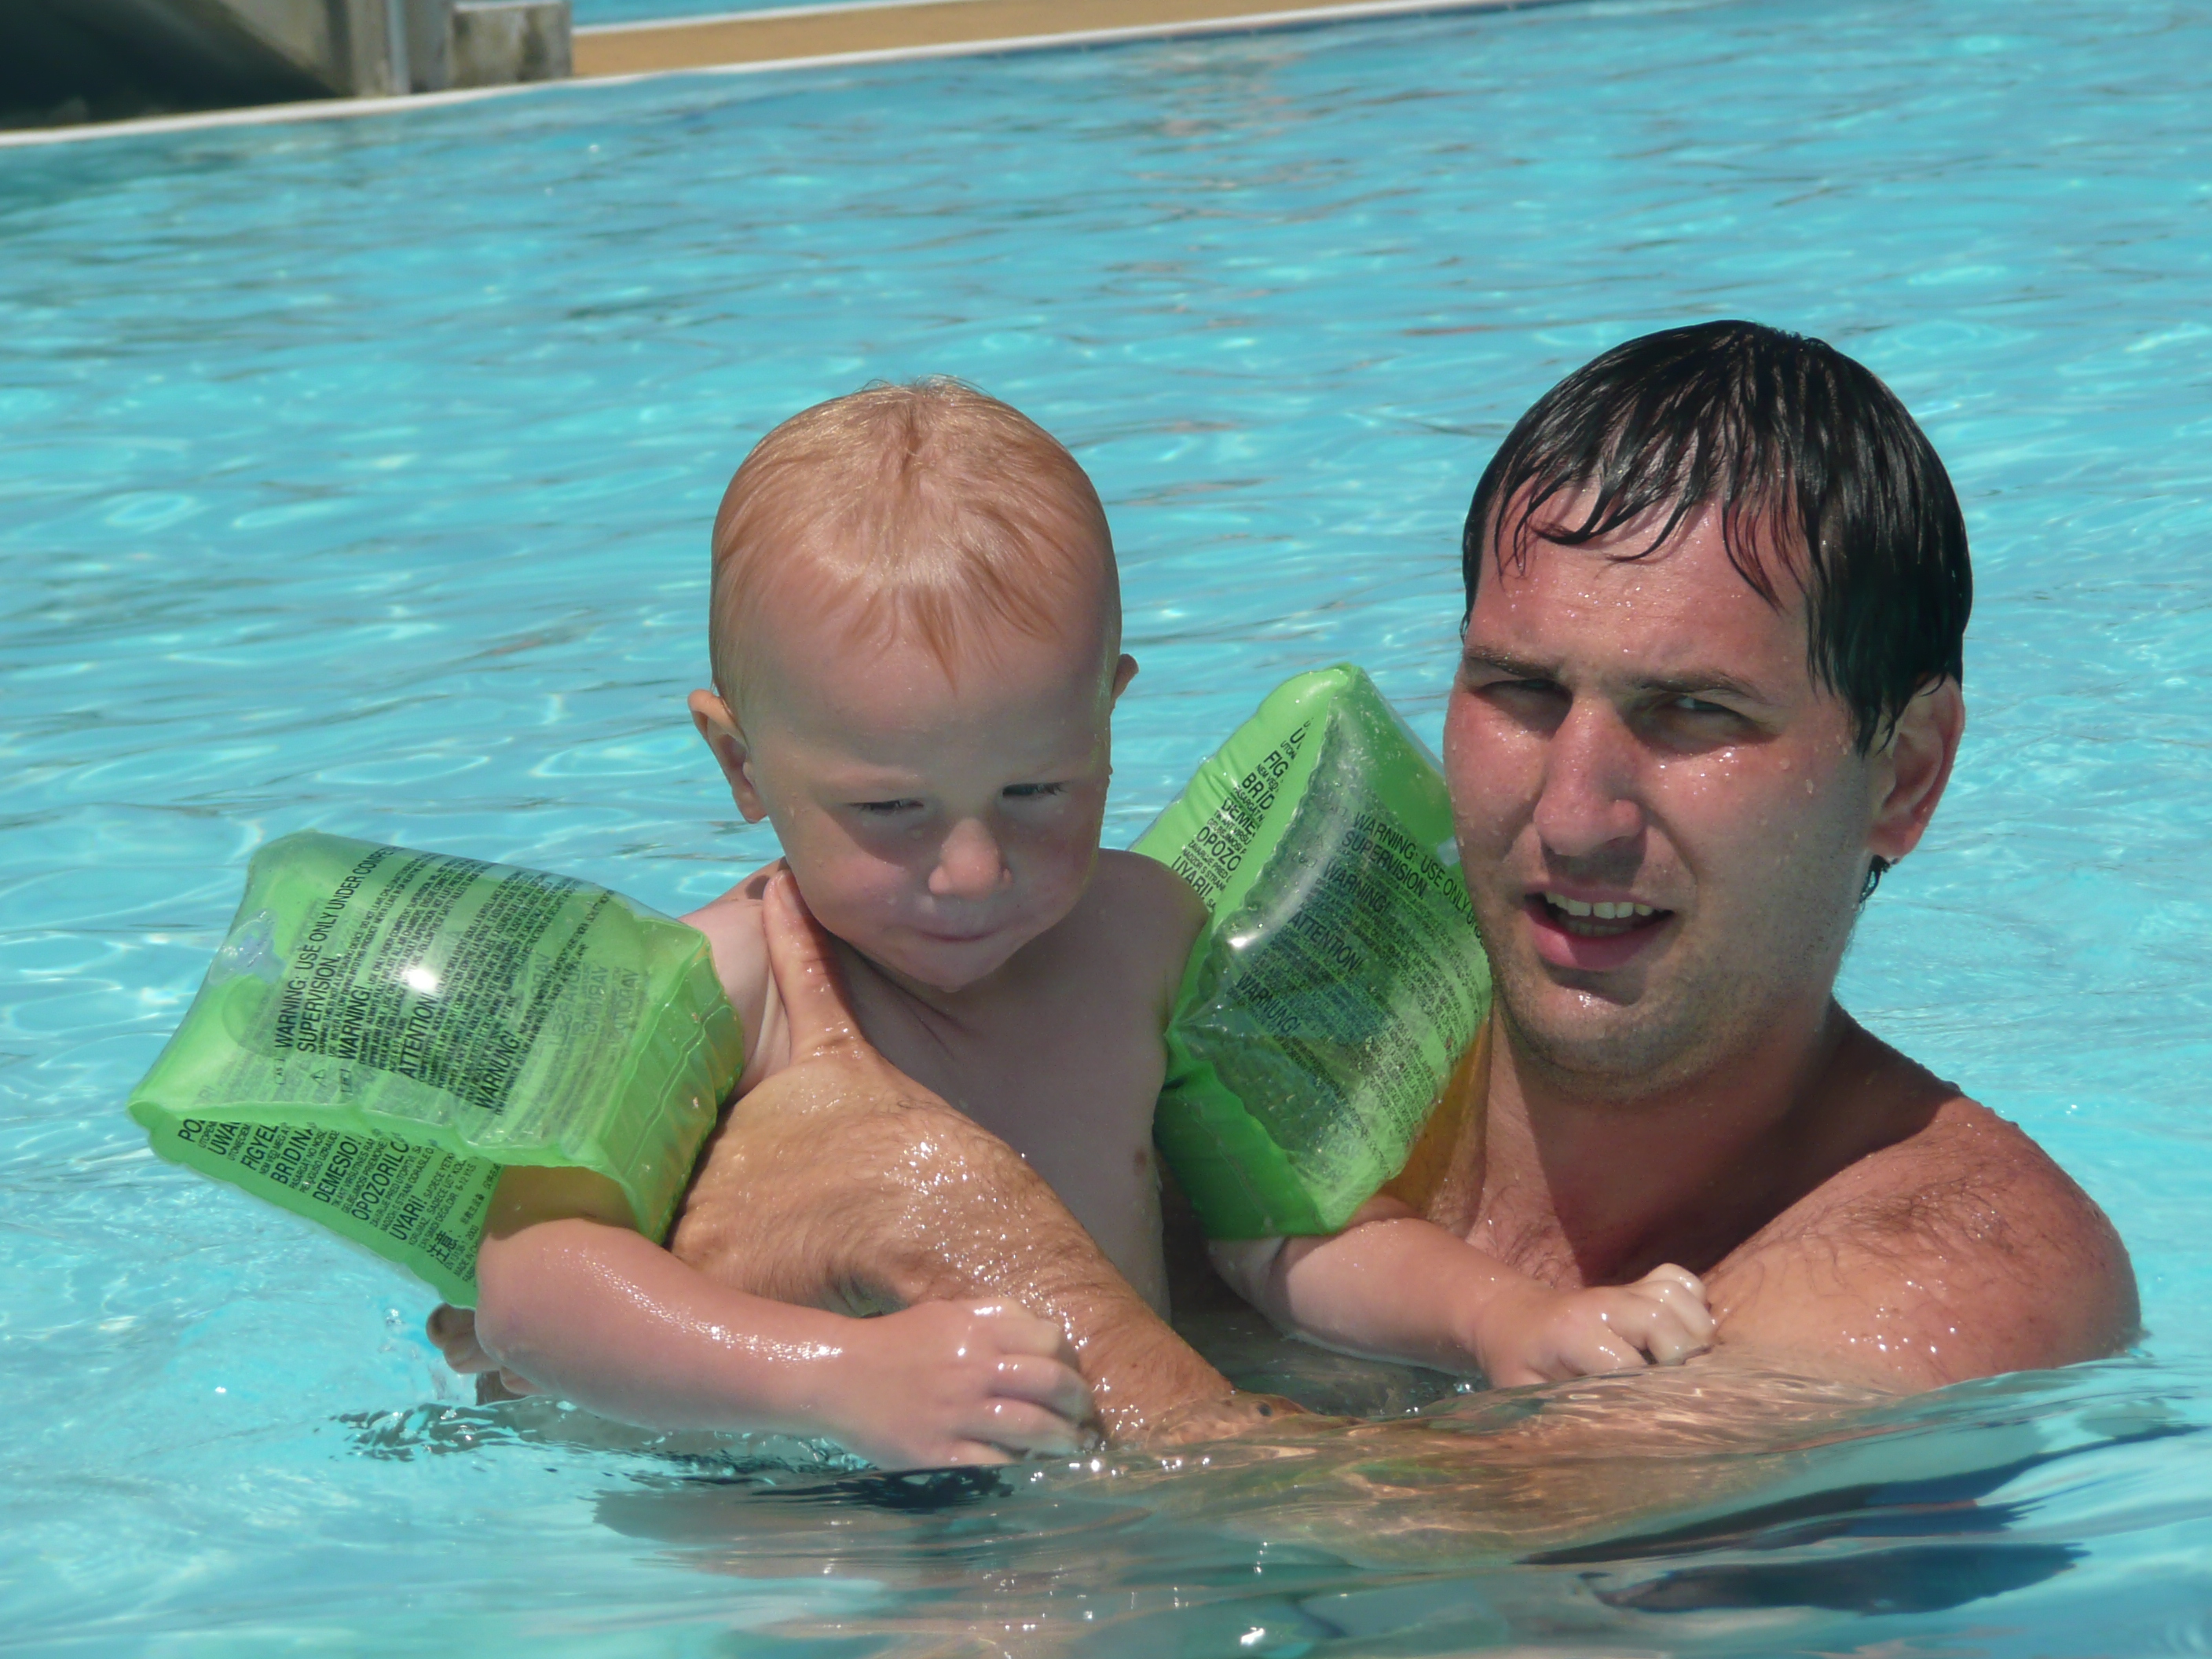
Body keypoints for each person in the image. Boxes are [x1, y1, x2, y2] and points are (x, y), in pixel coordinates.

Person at [656, 323, 2136, 1431]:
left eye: (1694, 714)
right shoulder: (1216, 1017)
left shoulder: (1955, 1270)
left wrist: (969, 1236)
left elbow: (1489, 1595)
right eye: (1520, 692)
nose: (1575, 814)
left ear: (1905, 776)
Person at [429, 378, 1721, 1459]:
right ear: (740, 765)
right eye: (890, 811)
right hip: (812, 1504)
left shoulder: (1140, 939)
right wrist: (838, 1380)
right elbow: (532, 1294)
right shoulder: (727, 986)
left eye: (1037, 791)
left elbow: (1283, 1237)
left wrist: (1503, 1322)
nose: (973, 869)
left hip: (1105, 1477)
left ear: (1111, 713)